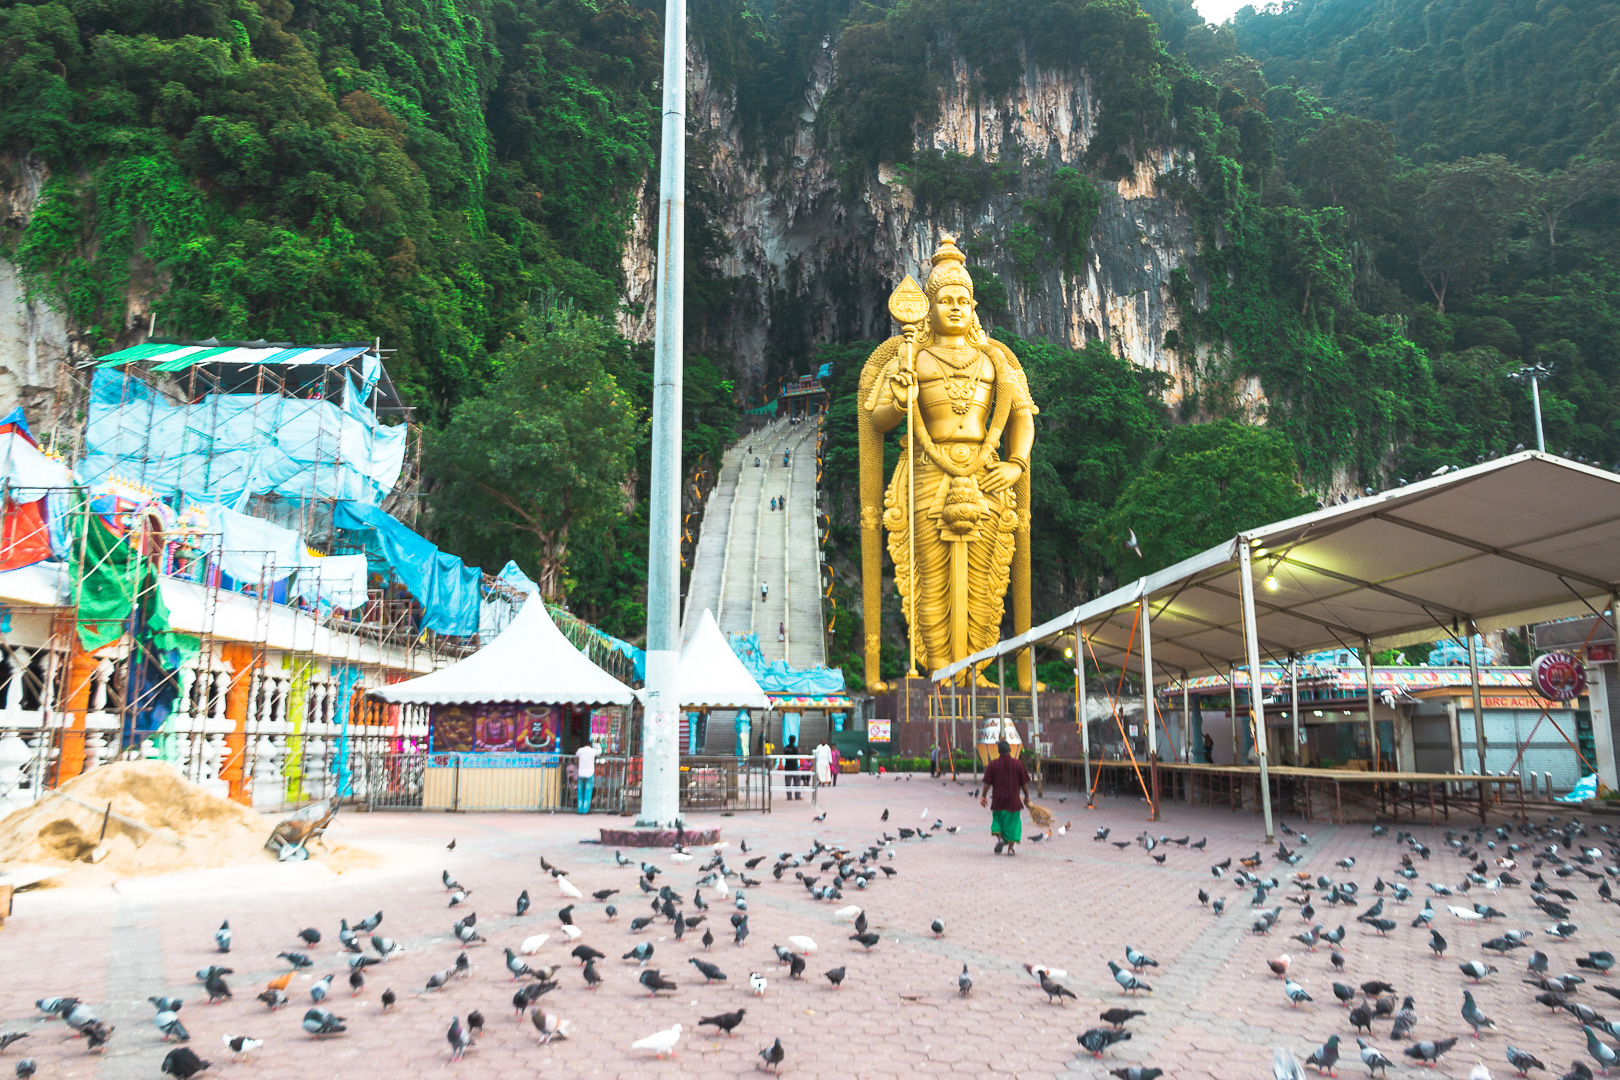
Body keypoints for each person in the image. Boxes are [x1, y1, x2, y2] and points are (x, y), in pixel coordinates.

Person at [979, 739, 1030, 855]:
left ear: (998, 751)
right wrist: (1027, 797)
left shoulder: (993, 764)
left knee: (997, 821)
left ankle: (1000, 839)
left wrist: (983, 796)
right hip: (1013, 801)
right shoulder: (1018, 764)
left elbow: (987, 783)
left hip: (998, 800)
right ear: (1010, 750)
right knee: (1013, 824)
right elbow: (1024, 783)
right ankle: (1011, 849)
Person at [575, 738, 599, 814]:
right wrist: (598, 743)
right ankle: (585, 810)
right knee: (587, 793)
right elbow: (600, 751)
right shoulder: (592, 751)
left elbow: (576, 755)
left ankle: (580, 809)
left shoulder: (580, 750)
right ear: (590, 745)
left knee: (580, 792)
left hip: (581, 774)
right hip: (589, 774)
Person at [783, 735, 803, 800]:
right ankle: (797, 796)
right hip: (794, 767)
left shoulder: (786, 748)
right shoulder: (795, 748)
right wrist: (799, 752)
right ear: (794, 740)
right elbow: (797, 756)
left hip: (787, 767)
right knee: (797, 781)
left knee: (788, 782)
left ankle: (789, 797)